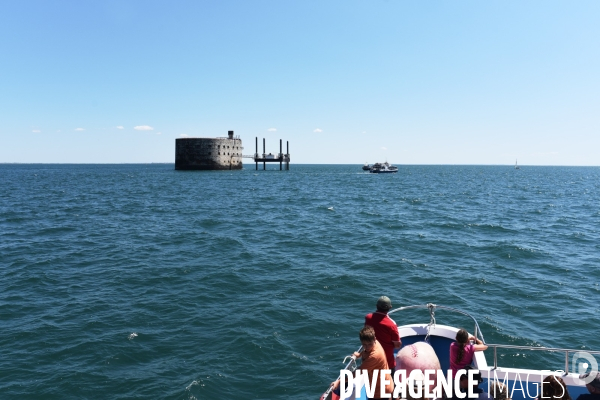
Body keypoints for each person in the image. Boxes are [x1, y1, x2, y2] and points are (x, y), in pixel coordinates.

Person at [330, 325, 393, 400]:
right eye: (364, 344)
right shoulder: (376, 343)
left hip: (379, 391)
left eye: (369, 344)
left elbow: (359, 372)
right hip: (386, 383)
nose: (367, 347)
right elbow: (368, 351)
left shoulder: (375, 355)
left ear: (374, 339)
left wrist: (339, 381)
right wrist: (360, 355)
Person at [365, 296, 402, 372]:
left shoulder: (368, 317)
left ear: (376, 306)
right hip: (387, 360)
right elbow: (397, 345)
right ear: (390, 307)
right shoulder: (391, 324)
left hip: (371, 357)